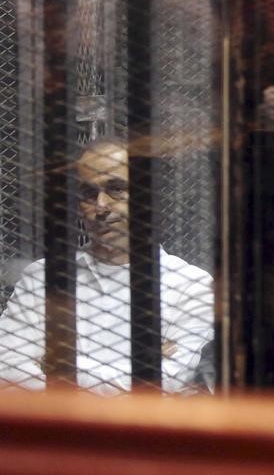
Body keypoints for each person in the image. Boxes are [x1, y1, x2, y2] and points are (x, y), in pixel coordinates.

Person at [0, 137, 214, 395]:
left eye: (116, 189)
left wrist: (54, 366)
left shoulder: (192, 285)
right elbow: (6, 371)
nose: (101, 206)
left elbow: (164, 384)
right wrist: (140, 366)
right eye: (89, 193)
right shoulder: (43, 277)